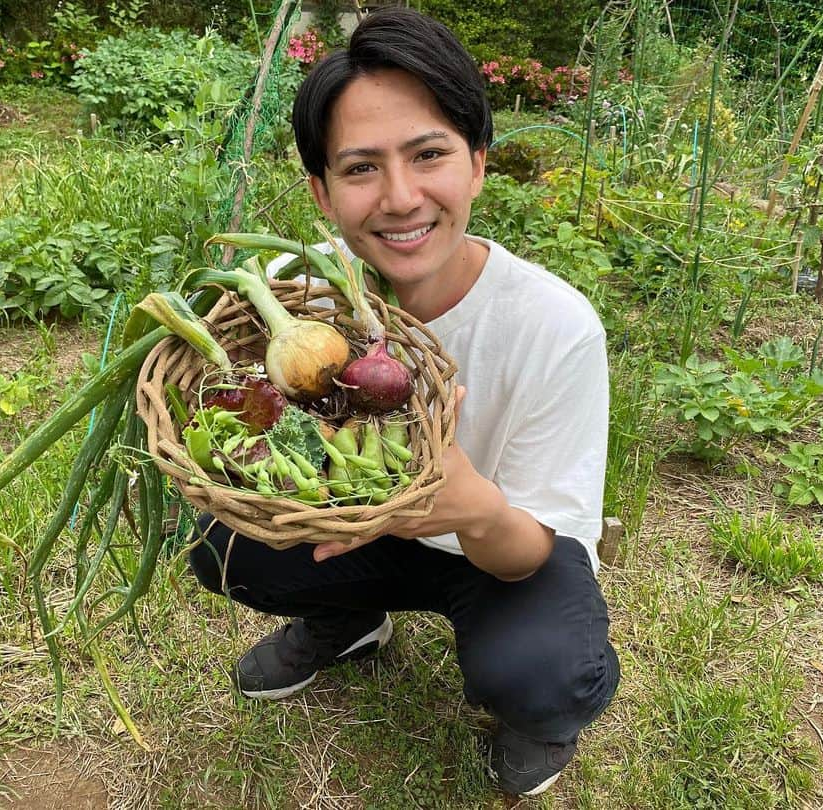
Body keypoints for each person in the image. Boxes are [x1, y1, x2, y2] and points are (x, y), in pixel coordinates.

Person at [189, 7, 620, 798]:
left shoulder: (556, 327)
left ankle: (542, 718)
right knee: (223, 544)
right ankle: (351, 622)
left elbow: (537, 546)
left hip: (502, 548)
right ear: (321, 191)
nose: (400, 197)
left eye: (429, 155)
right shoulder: (302, 293)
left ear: (478, 164)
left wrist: (469, 508)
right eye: (359, 169)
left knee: (539, 671)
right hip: (358, 524)